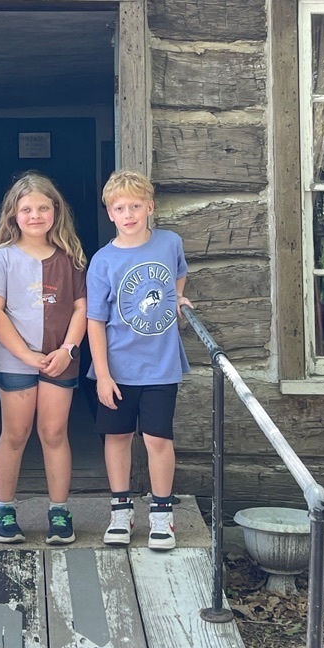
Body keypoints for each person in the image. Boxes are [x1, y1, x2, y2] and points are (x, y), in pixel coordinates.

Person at [86, 169, 192, 551]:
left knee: (157, 437)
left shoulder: (169, 242)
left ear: (150, 207)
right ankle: (121, 511)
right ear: (110, 214)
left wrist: (176, 298)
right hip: (117, 366)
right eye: (119, 208)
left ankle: (162, 515)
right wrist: (102, 374)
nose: (128, 213)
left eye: (135, 206)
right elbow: (95, 321)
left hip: (161, 364)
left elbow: (179, 275)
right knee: (117, 436)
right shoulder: (103, 261)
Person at [0, 172, 87, 546]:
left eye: (43, 207)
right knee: (14, 434)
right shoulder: (2, 258)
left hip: (61, 360)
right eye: (27, 209)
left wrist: (68, 349)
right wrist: (26, 353)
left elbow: (81, 307)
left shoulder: (71, 257)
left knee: (54, 433)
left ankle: (59, 511)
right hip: (15, 361)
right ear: (14, 215)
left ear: (55, 211)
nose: (36, 215)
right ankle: (3, 510)